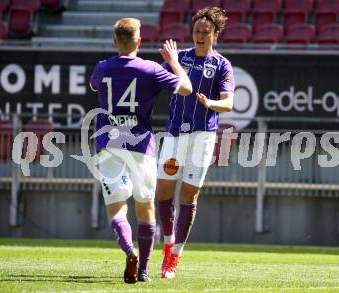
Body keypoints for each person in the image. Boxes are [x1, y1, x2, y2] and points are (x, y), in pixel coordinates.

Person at [89, 18, 192, 284]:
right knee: (145, 208)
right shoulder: (150, 70)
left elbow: (93, 86)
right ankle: (144, 269)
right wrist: (173, 62)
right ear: (139, 41)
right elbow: (187, 88)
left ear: (115, 41)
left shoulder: (102, 68)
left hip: (109, 144)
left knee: (117, 209)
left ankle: (129, 251)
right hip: (141, 145)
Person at [156, 7, 235, 279]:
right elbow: (156, 81)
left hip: (202, 137)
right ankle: (167, 245)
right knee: (163, 193)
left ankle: (175, 256)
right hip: (175, 136)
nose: (200, 35)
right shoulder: (179, 58)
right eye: (197, 31)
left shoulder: (222, 65)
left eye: (206, 32)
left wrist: (210, 103)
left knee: (189, 197)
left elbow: (229, 103)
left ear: (215, 34)